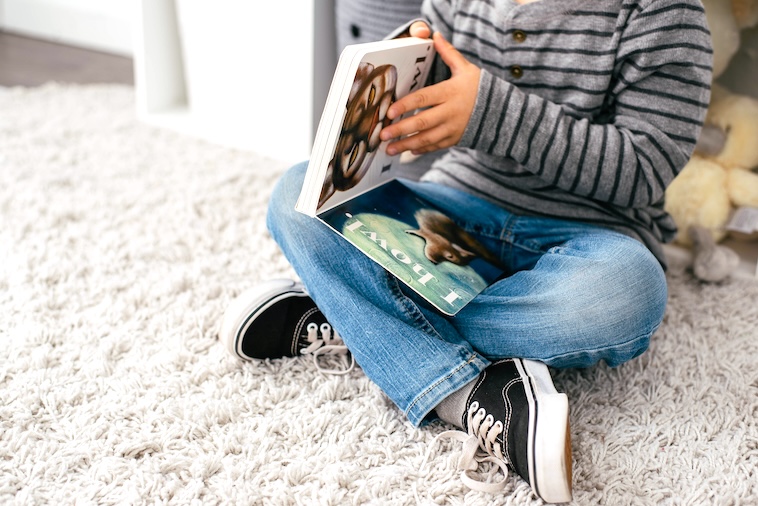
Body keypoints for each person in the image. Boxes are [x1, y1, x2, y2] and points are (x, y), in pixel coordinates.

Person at [221, 0, 713, 502]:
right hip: (457, 209)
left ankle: (358, 314)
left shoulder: (662, 12)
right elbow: (428, 94)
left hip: (590, 231)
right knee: (298, 195)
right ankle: (469, 393)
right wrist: (402, 72)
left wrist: (491, 111)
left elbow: (645, 167)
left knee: (626, 292)